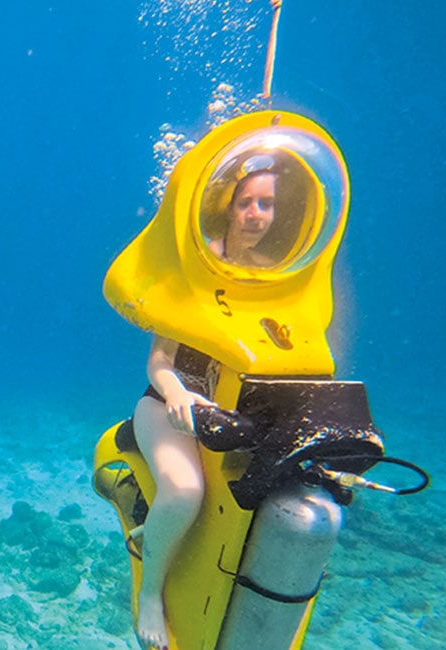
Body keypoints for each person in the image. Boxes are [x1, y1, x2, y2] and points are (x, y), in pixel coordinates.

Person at [133, 165, 277, 650]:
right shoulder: (194, 271)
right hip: (165, 409)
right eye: (245, 203)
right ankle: (150, 594)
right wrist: (177, 394)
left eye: (266, 203)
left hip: (227, 419)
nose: (256, 214)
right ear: (226, 208)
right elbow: (159, 361)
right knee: (184, 491)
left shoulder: (273, 278)